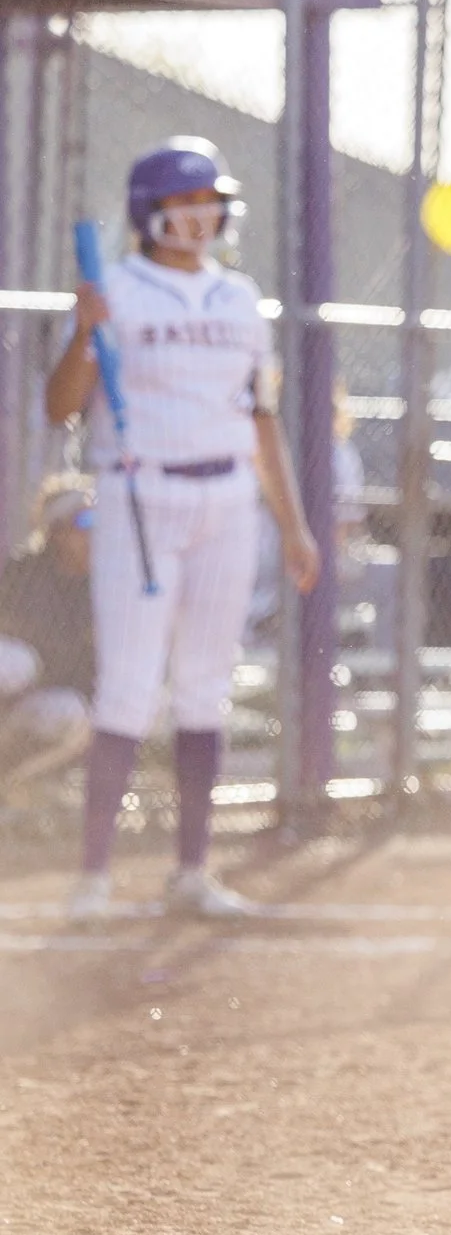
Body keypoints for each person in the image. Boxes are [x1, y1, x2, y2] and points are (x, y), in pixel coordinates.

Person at [45, 138, 320, 918]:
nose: (201, 217)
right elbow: (58, 407)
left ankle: (192, 872)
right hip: (140, 493)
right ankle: (93, 879)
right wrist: (82, 332)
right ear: (150, 213)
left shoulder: (240, 300)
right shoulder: (118, 290)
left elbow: (261, 418)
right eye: (184, 204)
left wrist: (292, 524)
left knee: (206, 683)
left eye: (210, 203)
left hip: (228, 497)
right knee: (130, 687)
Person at [0, 476, 98, 789]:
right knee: (17, 661)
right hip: (12, 699)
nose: (94, 533)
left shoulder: (103, 589)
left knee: (73, 714)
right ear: (57, 531)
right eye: (84, 521)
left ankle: (11, 783)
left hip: (47, 700)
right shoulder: (22, 572)